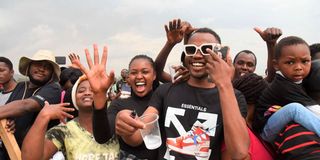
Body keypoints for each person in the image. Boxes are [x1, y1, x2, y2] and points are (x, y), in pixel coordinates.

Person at [115, 27, 250, 160]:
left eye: (205, 50)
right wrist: (126, 127)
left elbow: (239, 152)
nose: (197, 55)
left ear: (219, 54)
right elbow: (137, 137)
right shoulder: (166, 90)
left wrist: (224, 84)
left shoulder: (233, 97)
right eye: (191, 50)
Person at [21, 75, 119, 160]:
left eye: (93, 90)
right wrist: (43, 117)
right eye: (81, 90)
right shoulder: (63, 131)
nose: (87, 93)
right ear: (74, 98)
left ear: (103, 96)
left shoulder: (117, 124)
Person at [253, 36, 319, 138]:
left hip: (278, 124)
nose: (298, 67)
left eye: (305, 61)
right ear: (276, 65)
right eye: (290, 62)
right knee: (294, 109)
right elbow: (315, 111)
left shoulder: (297, 79)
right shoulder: (283, 85)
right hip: (265, 130)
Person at [0, 50, 62, 150]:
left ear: (52, 74)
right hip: (10, 149)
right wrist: (10, 121)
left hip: (36, 152)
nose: (42, 69)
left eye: (47, 67)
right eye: (38, 64)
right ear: (29, 67)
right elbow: (8, 109)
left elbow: (27, 105)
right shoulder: (20, 86)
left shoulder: (53, 89)